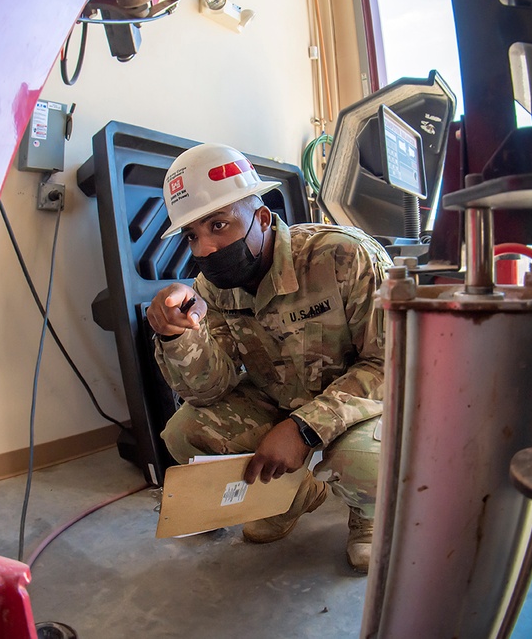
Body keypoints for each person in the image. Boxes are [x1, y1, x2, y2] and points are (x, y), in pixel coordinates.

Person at [146, 142, 392, 571]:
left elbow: (391, 366)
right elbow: (210, 390)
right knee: (185, 433)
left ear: (260, 218)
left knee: (359, 461)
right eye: (192, 236)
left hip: (360, 406)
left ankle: (369, 516)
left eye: (218, 224)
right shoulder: (213, 288)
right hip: (278, 396)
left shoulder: (343, 256)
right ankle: (289, 495)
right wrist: (179, 336)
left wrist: (304, 430)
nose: (204, 249)